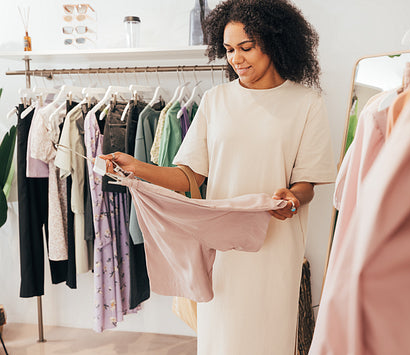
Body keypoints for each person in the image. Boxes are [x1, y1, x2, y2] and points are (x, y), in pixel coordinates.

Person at [102, 0, 335, 353]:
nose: (236, 59)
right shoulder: (215, 100)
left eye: (246, 47)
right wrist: (137, 167)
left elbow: (307, 183)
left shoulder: (306, 103)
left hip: (276, 245)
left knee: (269, 337)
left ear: (274, 42)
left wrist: (292, 198)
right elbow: (189, 175)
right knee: (222, 339)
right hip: (222, 244)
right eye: (228, 49)